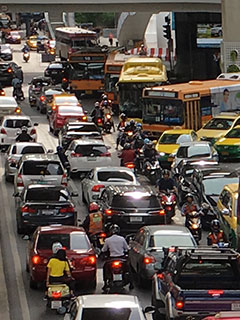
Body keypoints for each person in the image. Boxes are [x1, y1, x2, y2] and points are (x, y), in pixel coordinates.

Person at [101, 224, 134, 291]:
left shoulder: (108, 240)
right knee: (129, 269)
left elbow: (103, 250)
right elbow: (127, 248)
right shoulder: (122, 239)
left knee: (105, 268)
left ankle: (105, 284)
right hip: (121, 258)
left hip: (111, 258)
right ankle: (131, 284)